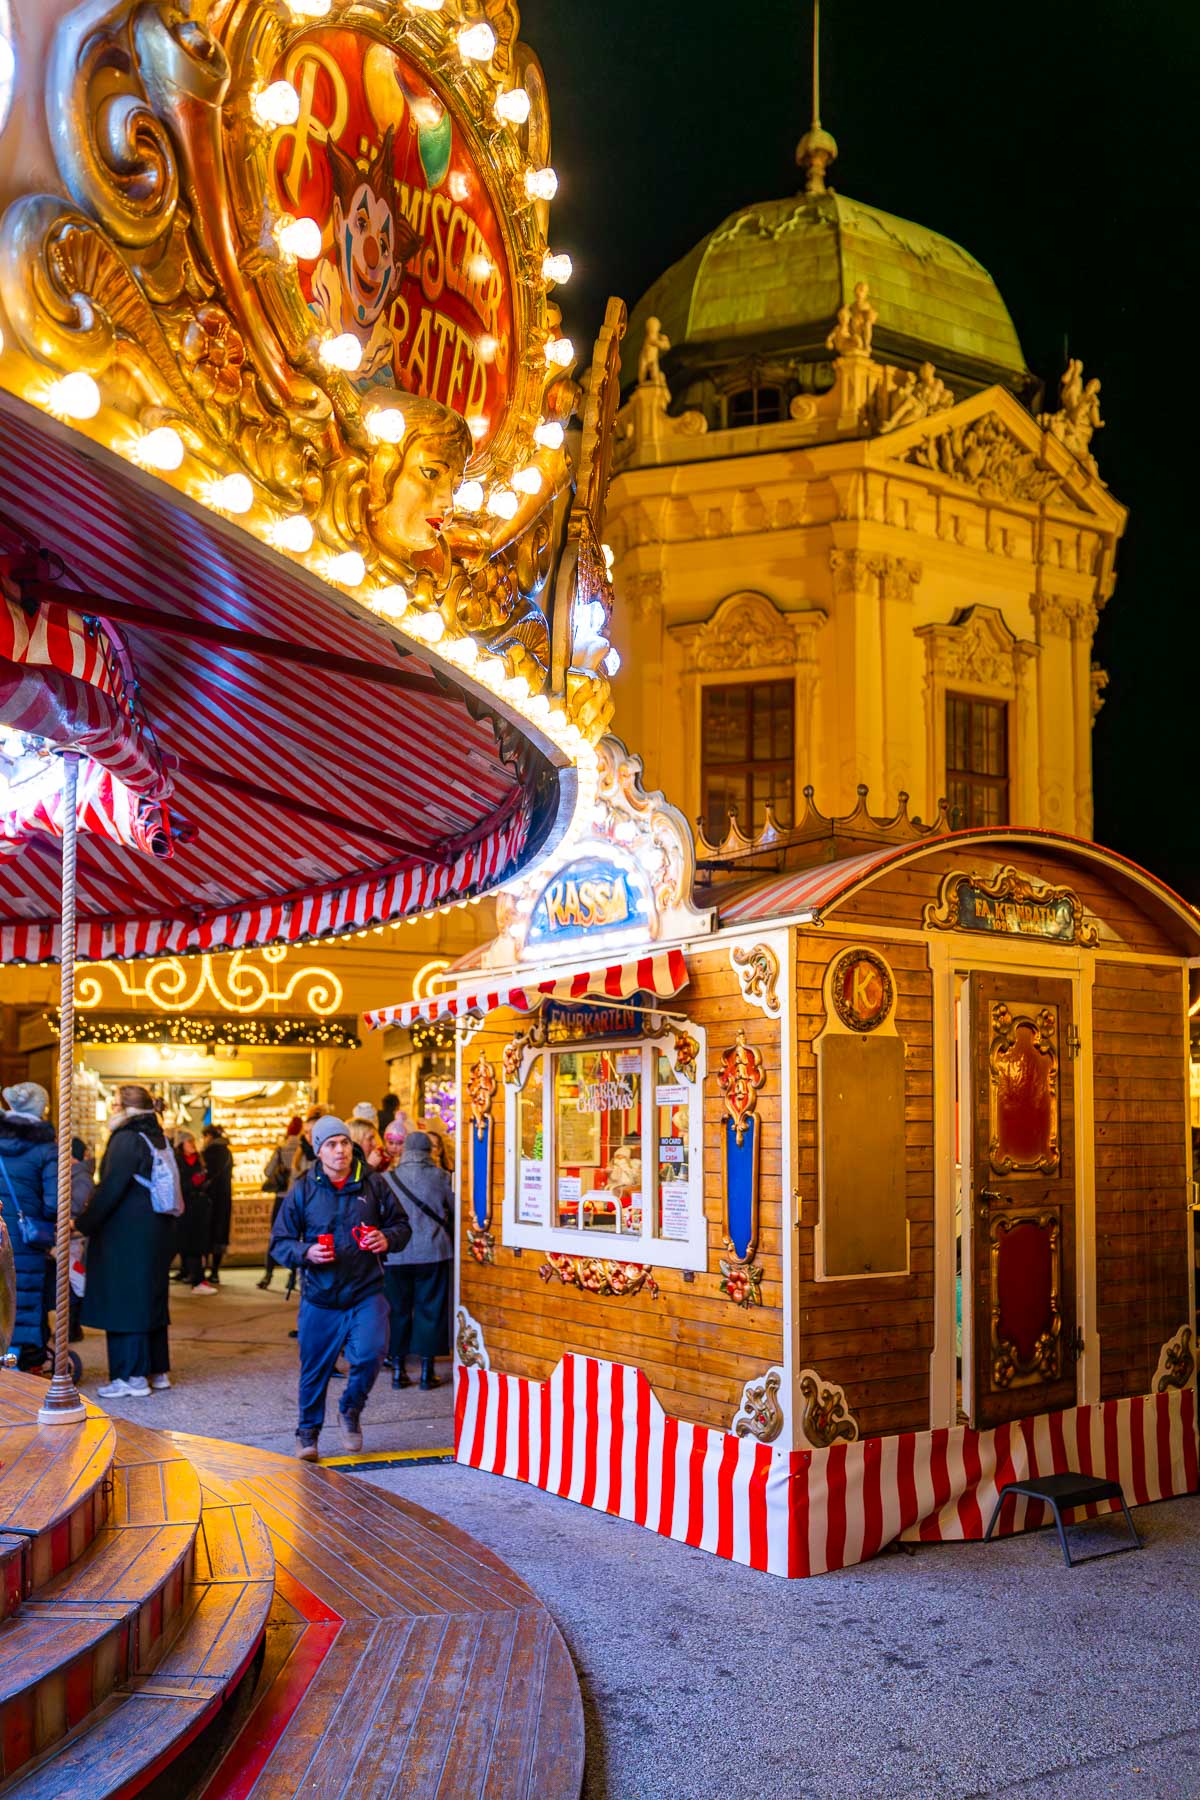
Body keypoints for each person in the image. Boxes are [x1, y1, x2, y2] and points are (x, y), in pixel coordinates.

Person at [269, 1116, 410, 1459]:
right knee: (314, 1368)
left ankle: (350, 1409)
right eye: (331, 1144)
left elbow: (402, 1226)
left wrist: (386, 1238)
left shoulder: (373, 1183)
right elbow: (280, 1242)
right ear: (318, 1151)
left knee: (372, 1352)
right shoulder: (303, 1188)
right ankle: (308, 1433)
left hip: (365, 1291)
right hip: (321, 1295)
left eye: (344, 1143)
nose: (340, 1150)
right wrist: (306, 1252)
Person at [77, 1084, 176, 1398]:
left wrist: (83, 1223)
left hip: (127, 1233)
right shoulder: (156, 1136)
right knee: (151, 1297)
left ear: (125, 1108)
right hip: (156, 1229)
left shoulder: (125, 1139)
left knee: (124, 1301)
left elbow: (110, 1189)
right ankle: (157, 1370)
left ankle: (130, 1376)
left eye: (114, 1102)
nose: (111, 1108)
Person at [381, 1130, 453, 1391]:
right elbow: (454, 1210)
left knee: (397, 1311)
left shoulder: (386, 1179)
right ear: (427, 1151)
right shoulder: (442, 1177)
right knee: (430, 1310)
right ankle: (427, 1371)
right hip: (433, 1252)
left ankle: (398, 1370)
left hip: (395, 1254)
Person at [0, 1082, 57, 1373]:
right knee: (19, 1298)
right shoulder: (45, 1148)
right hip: (24, 1236)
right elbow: (54, 1201)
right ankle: (17, 1364)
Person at [258, 1116, 303, 1290]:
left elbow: (268, 1171)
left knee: (276, 1235)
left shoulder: (280, 1149)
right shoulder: (305, 1150)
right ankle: (292, 1277)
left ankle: (268, 1274)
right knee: (296, 1236)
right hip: (298, 1198)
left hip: (281, 1198)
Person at [174, 1132, 214, 1292]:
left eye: (192, 1141)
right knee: (182, 1243)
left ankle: (198, 1280)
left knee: (195, 1244)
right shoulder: (178, 1162)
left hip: (199, 1207)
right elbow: (179, 1184)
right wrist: (192, 1182)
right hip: (184, 1206)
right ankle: (196, 1279)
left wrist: (204, 1182)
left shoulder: (199, 1160)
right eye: (188, 1142)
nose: (192, 1144)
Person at [201, 1124, 234, 1285]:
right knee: (220, 1234)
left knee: (206, 1234)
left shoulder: (208, 1153)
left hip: (209, 1199)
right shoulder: (227, 1152)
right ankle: (215, 1271)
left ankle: (203, 1270)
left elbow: (204, 1175)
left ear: (209, 1136)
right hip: (225, 1198)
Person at [68, 1136, 94, 1342]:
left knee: (74, 1282)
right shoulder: (77, 1175)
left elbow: (77, 1205)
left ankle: (73, 1326)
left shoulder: (81, 1177)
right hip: (73, 1235)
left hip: (75, 1237)